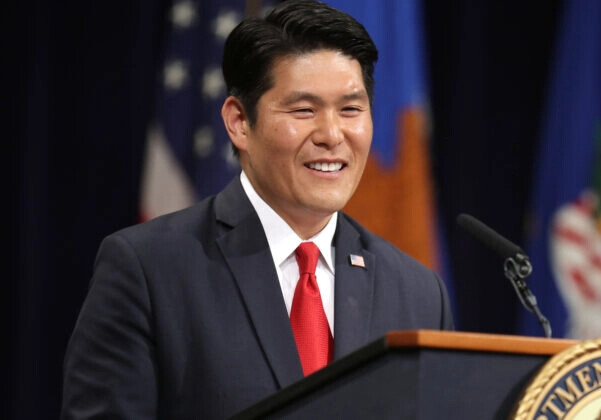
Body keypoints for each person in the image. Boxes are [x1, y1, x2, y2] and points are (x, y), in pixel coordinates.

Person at [61, 1, 453, 418]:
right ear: (239, 122)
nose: (332, 135)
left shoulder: (418, 294)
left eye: (351, 109)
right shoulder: (148, 270)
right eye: (304, 110)